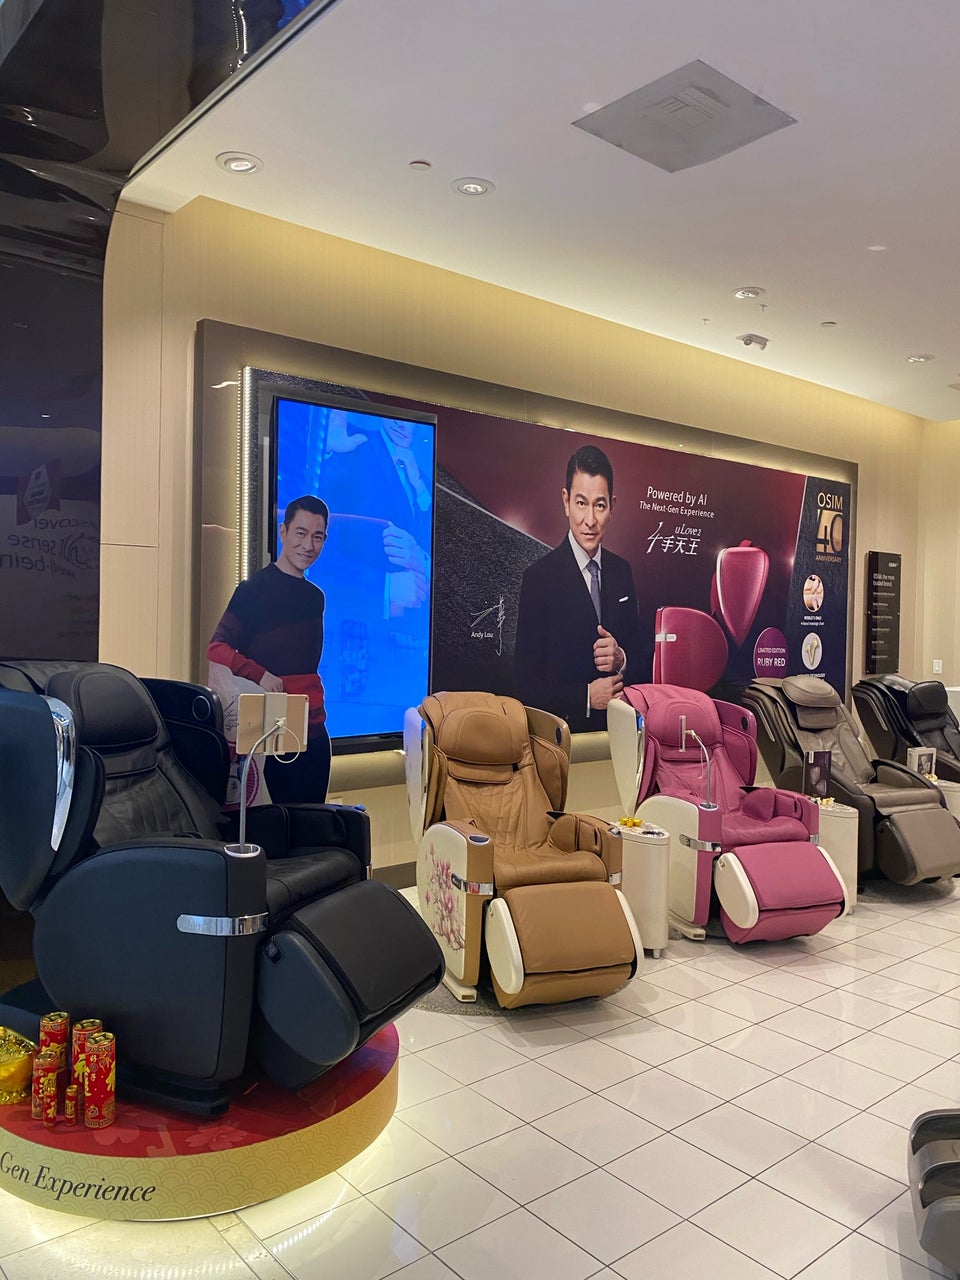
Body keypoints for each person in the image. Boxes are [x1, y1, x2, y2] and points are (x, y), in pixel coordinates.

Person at [513, 444, 647, 733]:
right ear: (566, 502)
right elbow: (523, 686)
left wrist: (622, 658)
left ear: (612, 507)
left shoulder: (622, 571)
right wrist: (586, 696)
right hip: (564, 742)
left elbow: (643, 658)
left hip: (621, 737)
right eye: (581, 503)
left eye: (599, 505)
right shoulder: (539, 578)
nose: (590, 520)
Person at [207, 495, 331, 802]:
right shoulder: (253, 590)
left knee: (313, 823)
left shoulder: (316, 597)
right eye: (301, 533)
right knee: (274, 824)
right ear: (283, 532)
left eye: (317, 537)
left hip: (315, 732)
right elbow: (217, 648)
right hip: (270, 733)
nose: (308, 545)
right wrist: (259, 674)